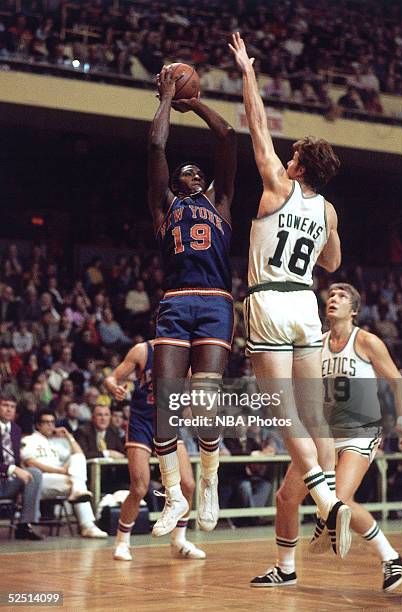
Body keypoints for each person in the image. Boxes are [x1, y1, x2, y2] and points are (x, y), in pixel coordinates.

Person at [229, 32, 350, 559]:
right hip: (306, 304)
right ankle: (334, 499)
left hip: (271, 301)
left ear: (298, 165)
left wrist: (248, 72)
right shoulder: (326, 211)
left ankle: (325, 501)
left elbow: (255, 124)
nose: (288, 155)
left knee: (284, 416)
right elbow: (333, 263)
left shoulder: (277, 184)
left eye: (294, 152)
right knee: (315, 415)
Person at [251, 284, 402, 590]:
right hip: (324, 433)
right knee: (286, 498)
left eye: (342, 296)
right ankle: (285, 569)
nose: (333, 299)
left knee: (340, 500)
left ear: (354, 309)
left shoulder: (366, 341)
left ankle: (391, 558)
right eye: (331, 295)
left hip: (360, 431)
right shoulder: (315, 344)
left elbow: (397, 381)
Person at [147, 64, 237, 536]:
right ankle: (173, 496)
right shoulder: (164, 205)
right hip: (176, 300)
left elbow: (227, 138)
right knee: (165, 404)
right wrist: (165, 99)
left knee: (204, 404)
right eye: (187, 169)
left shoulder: (220, 201)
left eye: (198, 169)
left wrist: (194, 100)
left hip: (216, 302)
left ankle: (208, 481)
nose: (193, 170)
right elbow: (158, 146)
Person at [105, 340, 206, 561]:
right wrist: (113, 387)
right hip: (142, 422)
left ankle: (179, 540)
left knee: (187, 484)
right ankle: (122, 541)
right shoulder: (143, 350)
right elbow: (111, 377)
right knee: (140, 487)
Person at [21, 408, 108, 538]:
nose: (51, 425)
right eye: (46, 422)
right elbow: (30, 463)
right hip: (40, 480)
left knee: (77, 458)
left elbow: (80, 454)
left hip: (59, 480)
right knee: (78, 485)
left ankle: (79, 497)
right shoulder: (29, 440)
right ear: (38, 425)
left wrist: (69, 436)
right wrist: (60, 471)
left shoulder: (55, 443)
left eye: (52, 422)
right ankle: (87, 525)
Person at [0, 393, 44, 540]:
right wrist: (12, 469)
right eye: (5, 405)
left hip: (9, 480)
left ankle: (25, 525)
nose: (9, 410)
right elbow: (13, 467)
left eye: (12, 407)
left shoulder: (16, 429)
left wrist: (19, 471)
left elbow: (15, 459)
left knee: (34, 473)